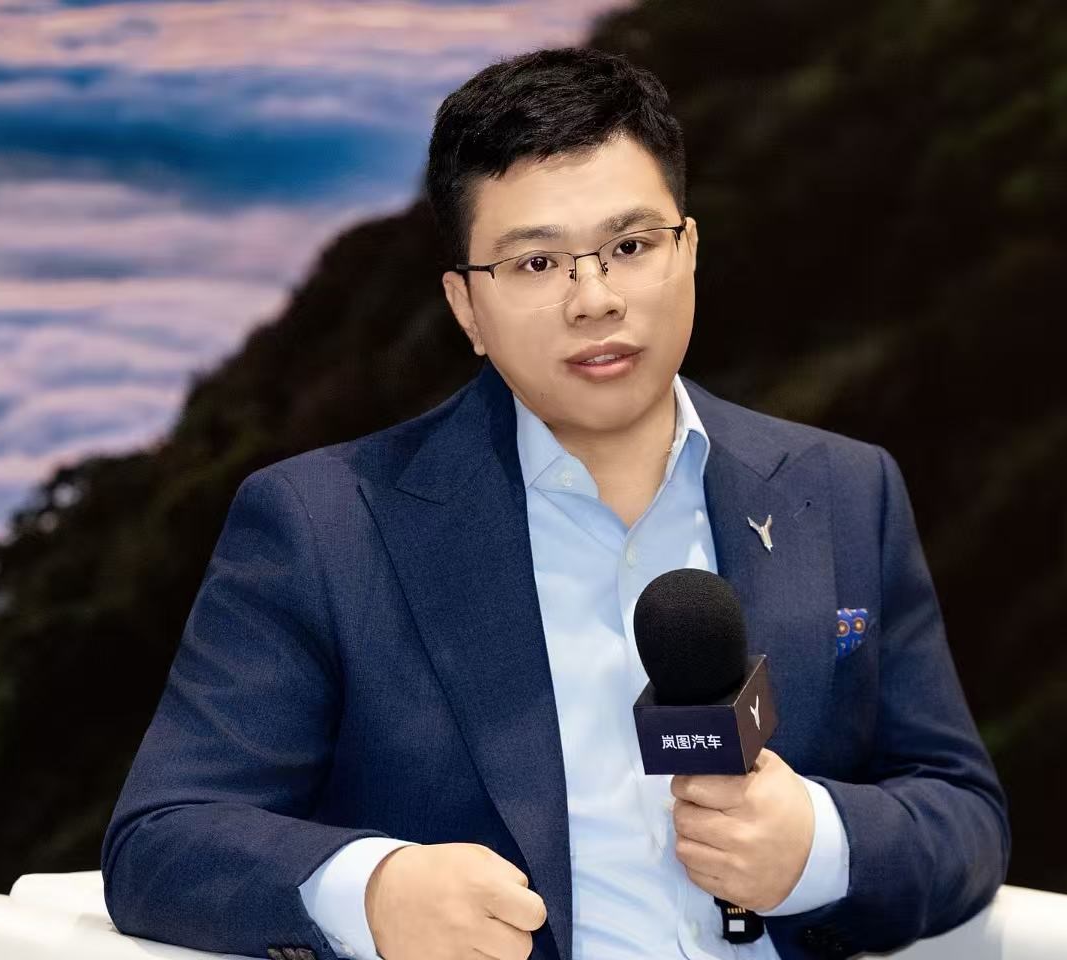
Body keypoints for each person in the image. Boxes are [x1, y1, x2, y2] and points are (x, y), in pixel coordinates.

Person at [101, 47, 1010, 960]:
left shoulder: (843, 490)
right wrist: (376, 890)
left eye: (631, 247)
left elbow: (963, 815)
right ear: (466, 307)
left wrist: (820, 848)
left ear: (690, 251)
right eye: (537, 263)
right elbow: (163, 839)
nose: (595, 300)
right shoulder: (324, 524)